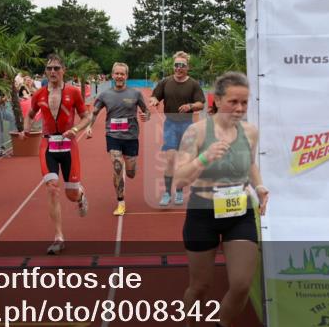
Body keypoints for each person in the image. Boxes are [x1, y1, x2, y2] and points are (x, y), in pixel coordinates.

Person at [172, 72, 269, 327]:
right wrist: (204, 158)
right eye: (233, 102)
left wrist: (259, 186)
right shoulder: (197, 133)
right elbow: (178, 180)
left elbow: (250, 164)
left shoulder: (250, 132)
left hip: (238, 211)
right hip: (203, 210)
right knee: (200, 285)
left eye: (244, 103)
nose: (239, 109)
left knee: (240, 282)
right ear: (217, 101)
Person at [20, 54, 93, 255]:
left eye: (56, 68)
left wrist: (76, 130)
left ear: (63, 71)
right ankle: (58, 237)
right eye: (49, 68)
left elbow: (87, 116)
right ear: (45, 71)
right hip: (48, 144)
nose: (53, 72)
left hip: (69, 145)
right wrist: (26, 130)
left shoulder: (73, 92)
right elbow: (30, 114)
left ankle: (80, 195)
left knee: (71, 194)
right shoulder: (39, 94)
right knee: (52, 188)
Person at [87, 62, 150, 216]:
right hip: (113, 136)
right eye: (117, 73)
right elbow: (94, 112)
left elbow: (147, 111)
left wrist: (145, 116)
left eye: (122, 74)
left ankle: (129, 171)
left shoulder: (135, 94)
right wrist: (89, 126)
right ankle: (121, 202)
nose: (119, 76)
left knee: (130, 173)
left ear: (126, 76)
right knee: (116, 168)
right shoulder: (105, 95)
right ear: (113, 75)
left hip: (131, 137)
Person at [148, 52, 206, 207]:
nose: (179, 68)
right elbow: (155, 96)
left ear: (188, 67)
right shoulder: (165, 82)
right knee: (170, 159)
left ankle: (179, 190)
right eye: (176, 65)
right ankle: (167, 193)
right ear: (173, 66)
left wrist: (190, 106)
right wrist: (153, 100)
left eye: (182, 65)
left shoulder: (193, 84)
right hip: (170, 124)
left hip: (187, 125)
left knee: (183, 161)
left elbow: (201, 103)